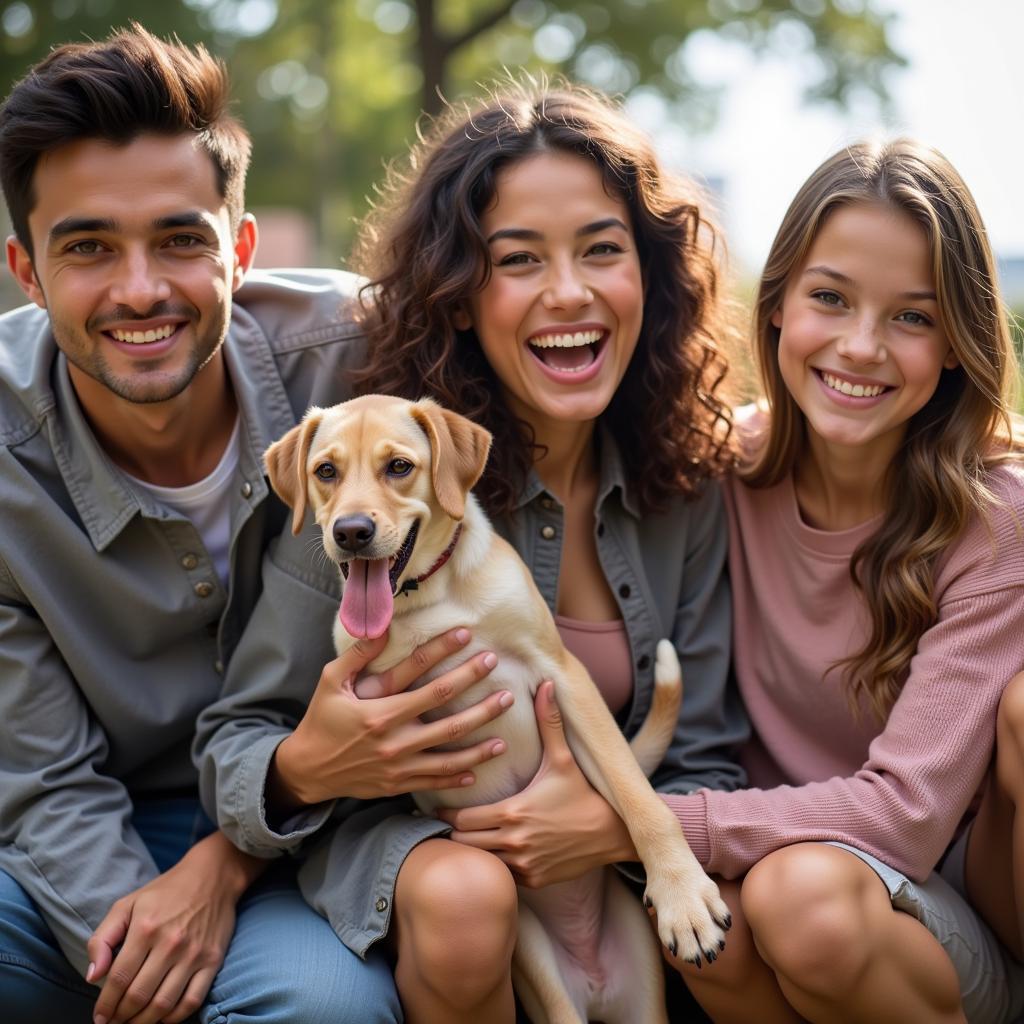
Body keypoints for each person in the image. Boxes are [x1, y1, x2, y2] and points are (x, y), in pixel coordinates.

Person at [195, 81, 749, 1022]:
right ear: (458, 293)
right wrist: (311, 767)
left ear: (650, 277)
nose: (566, 292)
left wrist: (606, 830)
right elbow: (240, 737)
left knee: (746, 941)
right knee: (465, 899)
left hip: (604, 854)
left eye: (602, 251)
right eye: (517, 259)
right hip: (423, 854)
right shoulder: (369, 497)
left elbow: (702, 755)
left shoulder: (685, 482)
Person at [0, 24, 509, 1024]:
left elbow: (548, 382)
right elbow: (40, 780)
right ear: (26, 268)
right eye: (89, 247)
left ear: (238, 247)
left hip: (327, 831)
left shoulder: (359, 364)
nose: (140, 288)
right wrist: (154, 933)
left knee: (319, 1010)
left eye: (180, 240)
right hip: (71, 827)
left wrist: (754, 432)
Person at [662, 140, 1024, 1024]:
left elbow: (902, 818)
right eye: (831, 298)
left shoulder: (995, 516)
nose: (861, 347)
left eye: (912, 317)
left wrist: (642, 821)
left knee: (800, 901)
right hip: (777, 875)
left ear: (954, 345)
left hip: (953, 915)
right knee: (700, 918)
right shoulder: (717, 469)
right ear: (779, 303)